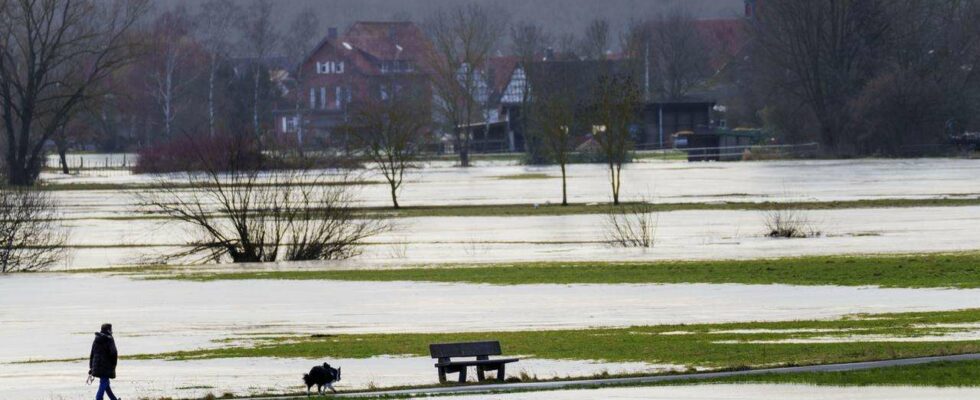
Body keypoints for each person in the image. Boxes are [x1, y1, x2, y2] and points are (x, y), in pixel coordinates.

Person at [89, 323, 120, 400]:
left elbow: (92, 354)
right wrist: (113, 365)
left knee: (105, 383)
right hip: (106, 366)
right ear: (109, 330)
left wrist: (91, 367)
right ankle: (98, 398)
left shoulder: (96, 339)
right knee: (104, 382)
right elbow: (114, 353)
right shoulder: (109, 339)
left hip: (96, 365)